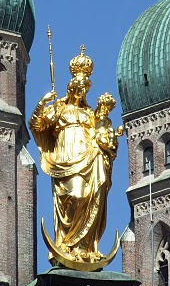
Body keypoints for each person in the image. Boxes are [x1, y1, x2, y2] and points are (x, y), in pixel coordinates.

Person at [29, 54, 116, 263]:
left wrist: (107, 144)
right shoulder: (59, 109)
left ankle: (85, 248)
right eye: (78, 88)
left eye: (84, 89)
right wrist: (42, 103)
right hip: (65, 159)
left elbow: (103, 135)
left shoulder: (90, 113)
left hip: (89, 159)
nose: (81, 92)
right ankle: (67, 244)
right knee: (75, 196)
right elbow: (37, 125)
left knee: (92, 195)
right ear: (71, 88)